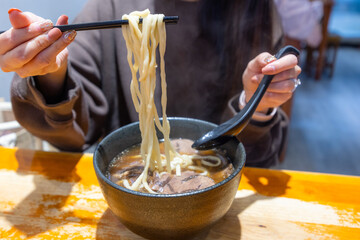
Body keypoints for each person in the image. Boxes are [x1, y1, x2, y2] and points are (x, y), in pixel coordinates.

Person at [0, 0, 301, 167]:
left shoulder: (254, 11)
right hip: (125, 190)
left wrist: (256, 104)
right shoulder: (110, 7)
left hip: (221, 193)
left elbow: (261, 156)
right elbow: (72, 135)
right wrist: (49, 69)